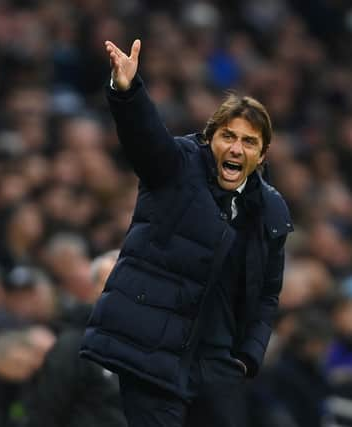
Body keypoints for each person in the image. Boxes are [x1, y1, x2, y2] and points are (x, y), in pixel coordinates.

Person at [80, 39, 293, 427]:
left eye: (249, 142)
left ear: (262, 156)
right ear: (210, 138)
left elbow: (267, 293)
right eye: (228, 136)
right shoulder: (177, 167)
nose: (236, 148)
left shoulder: (272, 209)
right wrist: (128, 92)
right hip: (152, 354)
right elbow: (145, 139)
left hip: (216, 365)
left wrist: (248, 356)